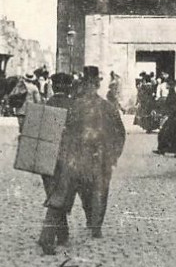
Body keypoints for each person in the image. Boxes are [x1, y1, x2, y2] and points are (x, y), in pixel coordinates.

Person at [38, 66, 126, 252]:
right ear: (97, 85)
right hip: (97, 159)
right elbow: (120, 133)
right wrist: (113, 155)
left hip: (73, 159)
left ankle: (54, 236)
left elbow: (59, 131)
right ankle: (94, 228)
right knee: (98, 192)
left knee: (62, 196)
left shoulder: (74, 105)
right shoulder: (107, 107)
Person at [40, 72, 74, 203]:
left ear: (54, 87)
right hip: (69, 150)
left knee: (49, 177)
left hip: (51, 149)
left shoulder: (49, 103)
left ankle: (52, 198)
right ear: (69, 87)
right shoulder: (73, 103)